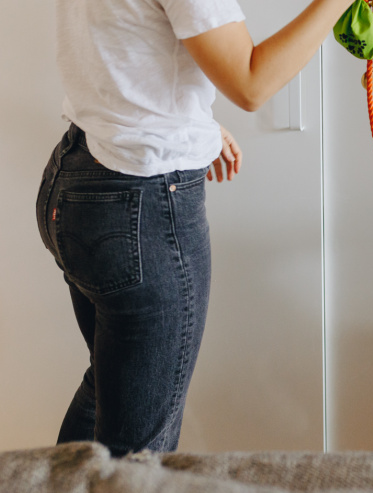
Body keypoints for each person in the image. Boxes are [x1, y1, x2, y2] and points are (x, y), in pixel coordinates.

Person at [36, 0, 356, 456]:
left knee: (105, 390)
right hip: (137, 204)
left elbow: (125, 40)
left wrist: (187, 123)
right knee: (140, 458)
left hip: (76, 177)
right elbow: (251, 83)